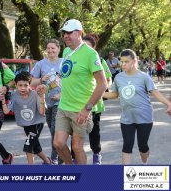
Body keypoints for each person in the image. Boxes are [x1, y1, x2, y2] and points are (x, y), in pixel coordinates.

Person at [53, 19, 107, 165]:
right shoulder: (66, 51)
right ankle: (73, 172)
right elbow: (64, 75)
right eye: (64, 33)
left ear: (80, 33)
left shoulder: (90, 54)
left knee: (77, 147)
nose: (65, 36)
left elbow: (102, 84)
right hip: (64, 107)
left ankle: (83, 179)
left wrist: (87, 108)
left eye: (69, 32)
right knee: (58, 144)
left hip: (81, 109)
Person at [103, 49, 171, 164]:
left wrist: (168, 104)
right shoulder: (119, 77)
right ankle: (125, 176)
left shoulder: (144, 77)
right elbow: (114, 94)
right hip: (127, 118)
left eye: (126, 61)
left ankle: (144, 164)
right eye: (122, 61)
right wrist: (98, 93)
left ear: (134, 61)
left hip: (144, 117)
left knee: (142, 146)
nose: (123, 64)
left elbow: (155, 92)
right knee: (127, 145)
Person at [2, 71, 52, 164]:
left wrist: (42, 97)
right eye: (20, 85)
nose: (23, 88)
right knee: (35, 146)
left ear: (29, 85)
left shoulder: (35, 94)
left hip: (37, 123)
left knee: (28, 146)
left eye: (25, 85)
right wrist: (2, 99)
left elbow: (42, 112)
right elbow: (6, 111)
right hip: (26, 125)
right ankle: (47, 161)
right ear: (16, 85)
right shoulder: (13, 95)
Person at [30, 39, 62, 164]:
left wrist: (62, 94)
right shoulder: (40, 64)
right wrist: (41, 79)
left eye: (53, 48)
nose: (50, 50)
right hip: (45, 102)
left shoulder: (64, 62)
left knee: (55, 129)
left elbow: (72, 81)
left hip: (61, 102)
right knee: (52, 129)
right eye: (48, 48)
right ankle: (61, 153)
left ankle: (54, 158)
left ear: (59, 49)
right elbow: (31, 82)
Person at [82, 34, 112, 164]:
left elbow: (108, 80)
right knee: (76, 133)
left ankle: (96, 154)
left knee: (94, 131)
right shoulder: (74, 59)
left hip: (95, 103)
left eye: (88, 46)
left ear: (94, 48)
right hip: (78, 102)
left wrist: (104, 89)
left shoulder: (100, 60)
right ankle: (74, 158)